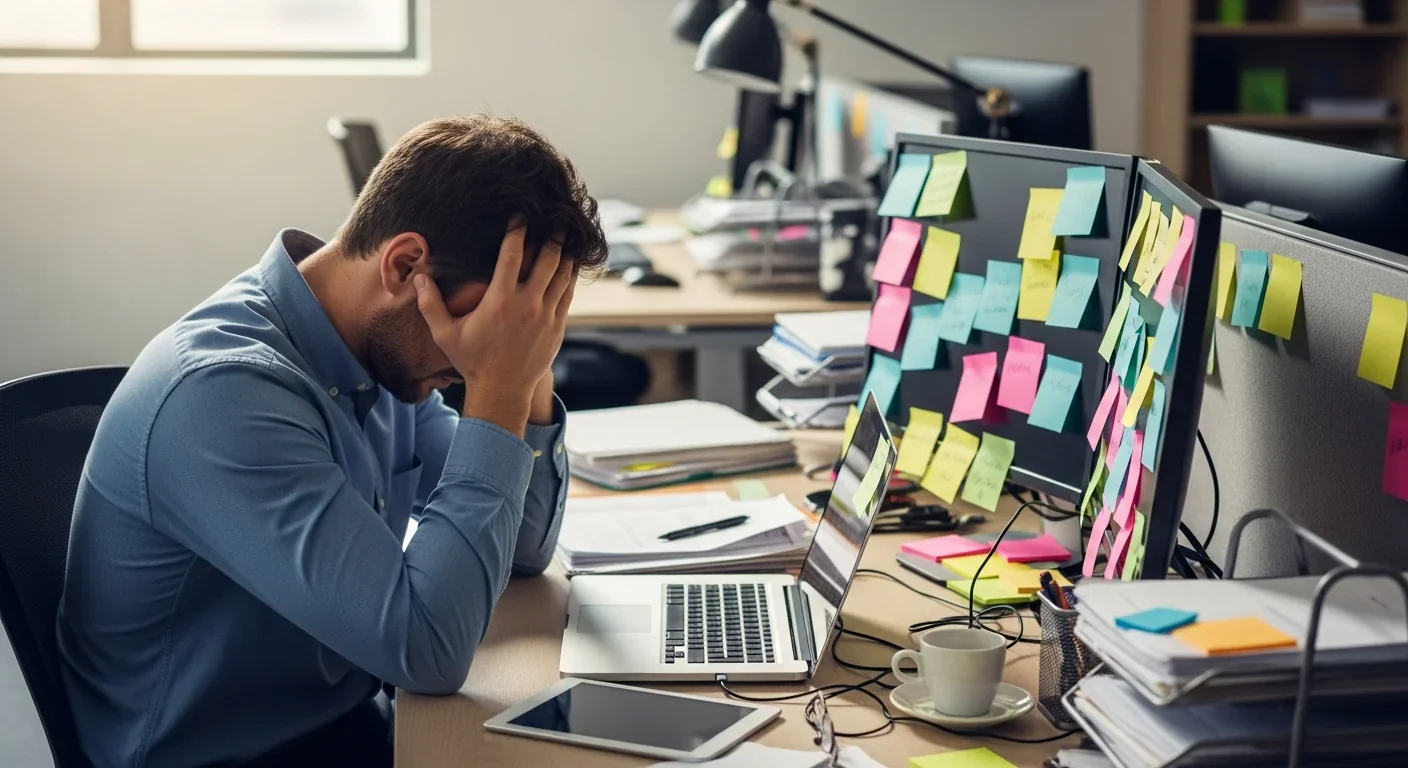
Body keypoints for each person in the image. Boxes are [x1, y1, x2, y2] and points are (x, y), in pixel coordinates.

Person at [55, 115, 608, 768]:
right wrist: (498, 392)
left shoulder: (377, 360)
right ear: (405, 266)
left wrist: (529, 366)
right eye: (490, 319)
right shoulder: (225, 396)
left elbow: (524, 547)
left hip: (346, 729)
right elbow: (427, 649)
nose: (478, 355)